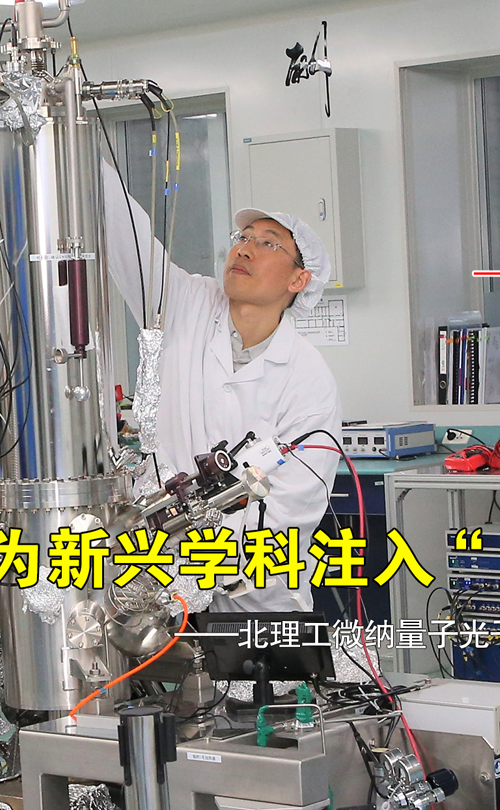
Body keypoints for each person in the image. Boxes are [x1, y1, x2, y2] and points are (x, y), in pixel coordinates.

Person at [100, 167, 343, 613]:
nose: (244, 248)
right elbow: (124, 235)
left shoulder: (309, 380)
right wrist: (81, 150)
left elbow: (292, 511)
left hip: (255, 604)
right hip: (152, 585)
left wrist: (202, 565)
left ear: (298, 280)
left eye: (268, 243)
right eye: (242, 237)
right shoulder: (185, 302)